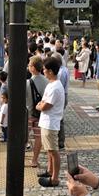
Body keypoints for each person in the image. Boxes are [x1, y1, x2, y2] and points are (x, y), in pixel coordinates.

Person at [35, 57, 65, 187]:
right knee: (49, 150)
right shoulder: (51, 84)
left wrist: (39, 106)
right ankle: (49, 170)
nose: (43, 71)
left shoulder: (55, 87)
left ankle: (55, 178)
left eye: (45, 70)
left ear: (51, 71)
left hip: (50, 122)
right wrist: (40, 105)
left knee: (53, 150)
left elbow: (45, 105)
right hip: (46, 121)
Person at [26, 56, 48, 168]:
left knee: (24, 137)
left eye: (29, 65)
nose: (28, 67)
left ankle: (21, 159)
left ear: (33, 68)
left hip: (29, 114)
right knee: (38, 137)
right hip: (42, 114)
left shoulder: (28, 83)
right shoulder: (47, 81)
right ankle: (35, 160)